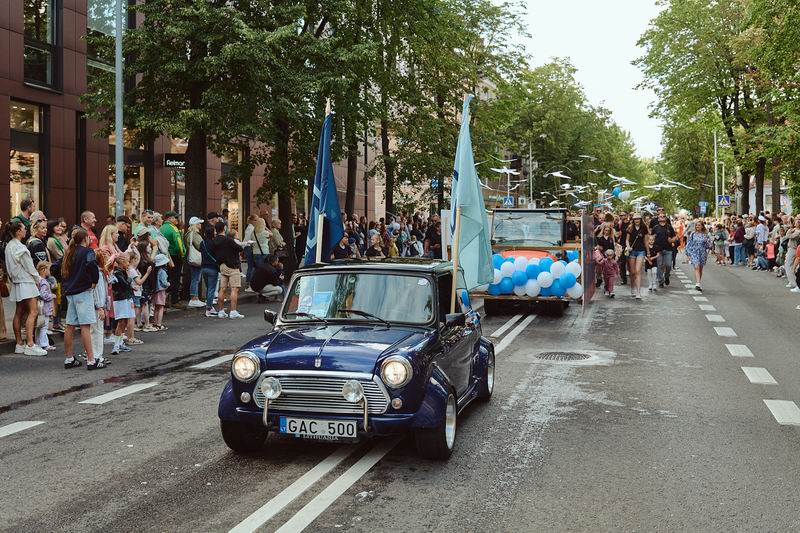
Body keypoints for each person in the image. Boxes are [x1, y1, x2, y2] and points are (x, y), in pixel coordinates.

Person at [61, 228, 105, 369]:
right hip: (83, 291)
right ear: (85, 238)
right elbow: (91, 264)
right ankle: (91, 360)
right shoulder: (88, 252)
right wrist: (94, 280)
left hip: (70, 291)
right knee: (85, 326)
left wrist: (66, 281)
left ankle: (69, 358)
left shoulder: (69, 252)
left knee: (70, 325)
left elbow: (56, 267)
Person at [4, 221, 46, 356]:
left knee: (19, 312)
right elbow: (30, 268)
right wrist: (38, 279)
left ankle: (19, 343)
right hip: (26, 282)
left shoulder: (9, 246)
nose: (25, 230)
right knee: (33, 311)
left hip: (17, 282)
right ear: (18, 231)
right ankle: (30, 344)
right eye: (23, 228)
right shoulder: (20, 247)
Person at [212, 221, 244, 319]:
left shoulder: (215, 240)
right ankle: (233, 311)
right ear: (224, 228)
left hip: (222, 265)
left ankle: (221, 311)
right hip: (232, 265)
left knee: (222, 288)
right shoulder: (228, 240)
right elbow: (239, 248)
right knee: (234, 288)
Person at [110, 254, 136, 355]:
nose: (128, 264)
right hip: (121, 299)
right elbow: (124, 284)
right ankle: (116, 346)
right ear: (122, 262)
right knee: (121, 321)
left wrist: (131, 287)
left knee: (125, 321)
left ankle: (120, 343)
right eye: (127, 262)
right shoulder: (118, 273)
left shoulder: (121, 272)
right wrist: (129, 278)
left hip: (125, 298)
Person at [160, 211, 185, 306]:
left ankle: (164, 300)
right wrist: (182, 254)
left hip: (164, 256)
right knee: (175, 279)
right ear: (170, 218)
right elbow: (179, 244)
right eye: (175, 217)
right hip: (174, 256)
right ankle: (174, 301)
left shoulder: (161, 228)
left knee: (166, 278)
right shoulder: (173, 228)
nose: (177, 220)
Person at [91, 248, 111, 360]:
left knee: (95, 331)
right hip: (98, 307)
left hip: (98, 306)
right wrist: (100, 307)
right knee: (97, 331)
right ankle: (97, 356)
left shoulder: (100, 273)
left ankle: (94, 355)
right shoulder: (98, 273)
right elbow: (98, 292)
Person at [625, 213, 649, 299]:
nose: (637, 220)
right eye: (635, 219)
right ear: (633, 220)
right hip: (632, 251)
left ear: (641, 219)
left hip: (641, 251)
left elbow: (646, 241)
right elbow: (627, 240)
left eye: (638, 219)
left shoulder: (644, 228)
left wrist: (648, 252)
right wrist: (628, 247)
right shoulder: (630, 228)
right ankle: (632, 287)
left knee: (638, 271)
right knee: (632, 272)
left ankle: (638, 292)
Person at [685, 219, 713, 291]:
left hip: (702, 252)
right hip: (694, 252)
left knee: (700, 268)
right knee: (696, 266)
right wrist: (688, 254)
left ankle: (698, 282)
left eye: (699, 225)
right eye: (696, 225)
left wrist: (707, 243)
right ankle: (698, 283)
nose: (697, 226)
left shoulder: (705, 234)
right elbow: (689, 244)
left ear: (702, 226)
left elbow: (709, 245)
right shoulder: (693, 234)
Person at [184, 216, 205, 308]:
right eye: (199, 223)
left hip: (191, 257)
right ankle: (194, 299)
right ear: (195, 224)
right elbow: (201, 246)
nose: (200, 225)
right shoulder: (195, 234)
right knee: (195, 279)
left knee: (195, 278)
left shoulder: (188, 234)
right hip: (196, 258)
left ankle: (195, 298)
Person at [200, 223, 220, 318]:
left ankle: (210, 307)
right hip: (213, 267)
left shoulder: (202, 243)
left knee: (209, 288)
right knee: (212, 289)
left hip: (203, 267)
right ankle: (208, 308)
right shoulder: (214, 243)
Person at [651, 213, 676, 287]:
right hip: (658, 250)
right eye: (660, 217)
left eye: (663, 216)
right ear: (658, 219)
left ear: (666, 218)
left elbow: (674, 237)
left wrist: (672, 240)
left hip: (668, 249)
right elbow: (651, 237)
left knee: (668, 265)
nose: (662, 218)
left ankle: (666, 276)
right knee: (659, 265)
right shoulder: (655, 227)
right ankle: (661, 281)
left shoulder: (669, 227)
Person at [35, 261, 56, 351]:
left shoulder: (39, 280)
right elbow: (43, 295)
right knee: (44, 327)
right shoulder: (44, 282)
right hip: (45, 308)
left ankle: (38, 343)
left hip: (41, 308)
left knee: (39, 327)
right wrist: (52, 296)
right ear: (43, 270)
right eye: (49, 269)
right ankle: (45, 344)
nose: (50, 271)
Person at [151, 254, 170, 330]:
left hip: (155, 291)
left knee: (156, 307)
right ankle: (159, 323)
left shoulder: (155, 271)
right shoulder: (163, 272)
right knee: (161, 307)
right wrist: (168, 284)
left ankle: (155, 323)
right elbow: (164, 283)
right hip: (161, 291)